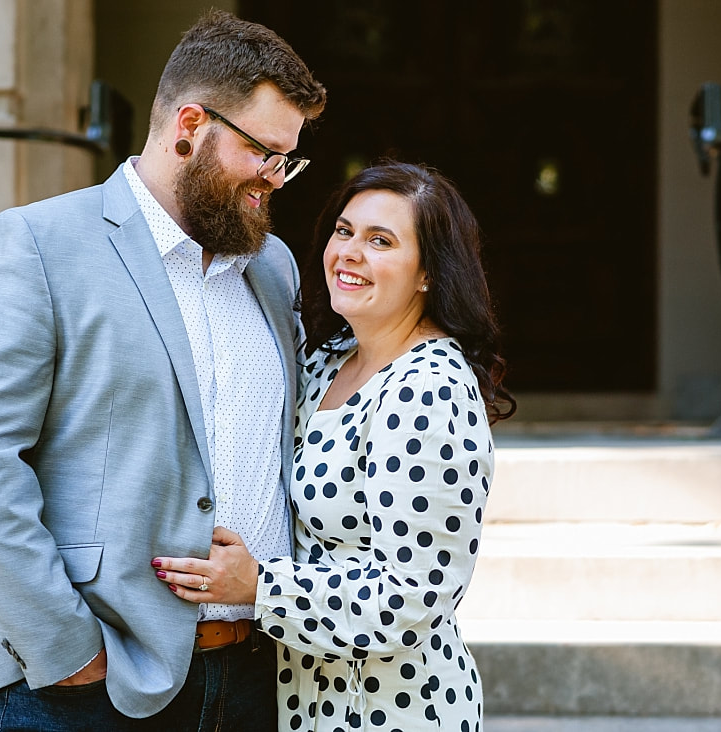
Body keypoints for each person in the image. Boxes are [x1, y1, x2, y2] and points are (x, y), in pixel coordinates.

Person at [0, 10, 325, 731]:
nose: (276, 177)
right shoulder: (39, 244)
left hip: (255, 678)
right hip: (89, 686)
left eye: (288, 159)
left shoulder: (274, 267)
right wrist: (67, 648)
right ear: (190, 125)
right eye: (265, 151)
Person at [153, 162, 516, 730]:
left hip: (392, 709)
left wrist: (257, 585)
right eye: (344, 231)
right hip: (310, 697)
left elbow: (413, 596)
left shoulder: (429, 389)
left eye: (381, 241)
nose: (349, 252)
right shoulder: (328, 362)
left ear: (428, 273)